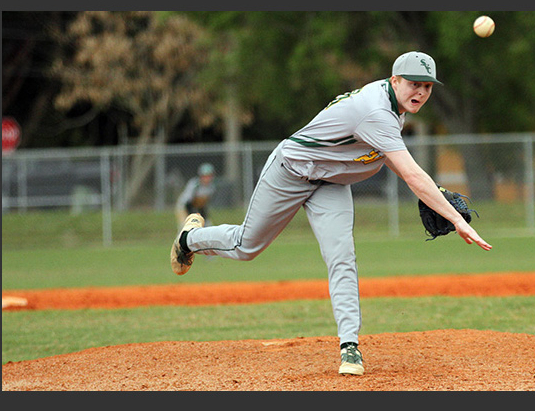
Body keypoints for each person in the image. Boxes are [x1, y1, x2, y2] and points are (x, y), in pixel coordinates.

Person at [170, 51, 492, 376]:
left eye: (427, 86)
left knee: (342, 256)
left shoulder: (392, 108)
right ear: (394, 80)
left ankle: (349, 346)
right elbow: (410, 173)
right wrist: (453, 217)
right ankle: (190, 239)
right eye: (414, 84)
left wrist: (433, 191)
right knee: (246, 246)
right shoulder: (376, 111)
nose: (420, 92)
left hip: (332, 182)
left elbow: (393, 159)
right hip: (291, 171)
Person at [175, 163, 216, 227]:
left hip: (198, 208)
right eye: (205, 176)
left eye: (209, 176)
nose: (207, 179)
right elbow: (187, 202)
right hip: (185, 207)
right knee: (185, 226)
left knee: (207, 225)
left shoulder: (211, 187)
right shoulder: (195, 185)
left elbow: (204, 204)